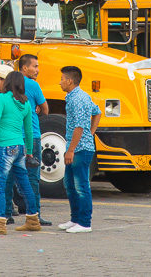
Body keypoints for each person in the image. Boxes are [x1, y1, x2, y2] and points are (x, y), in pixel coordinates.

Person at [0, 70, 39, 235]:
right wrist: (29, 151)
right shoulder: (26, 103)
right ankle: (33, 219)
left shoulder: (1, 98)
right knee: (24, 184)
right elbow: (28, 130)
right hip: (20, 147)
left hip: (4, 146)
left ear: (7, 83)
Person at [59, 65, 101, 233]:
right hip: (77, 146)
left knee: (81, 185)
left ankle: (84, 222)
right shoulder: (78, 96)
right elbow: (97, 112)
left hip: (80, 149)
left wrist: (71, 150)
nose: (60, 82)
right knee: (69, 183)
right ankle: (75, 219)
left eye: (62, 79)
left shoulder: (77, 99)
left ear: (70, 81)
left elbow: (78, 127)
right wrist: (91, 133)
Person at [16, 54, 50, 225]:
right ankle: (34, 213)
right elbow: (45, 109)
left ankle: (8, 212)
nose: (37, 70)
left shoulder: (11, 84)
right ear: (24, 68)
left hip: (13, 136)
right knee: (33, 176)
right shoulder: (33, 85)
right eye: (34, 66)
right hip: (32, 136)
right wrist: (37, 107)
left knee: (11, 175)